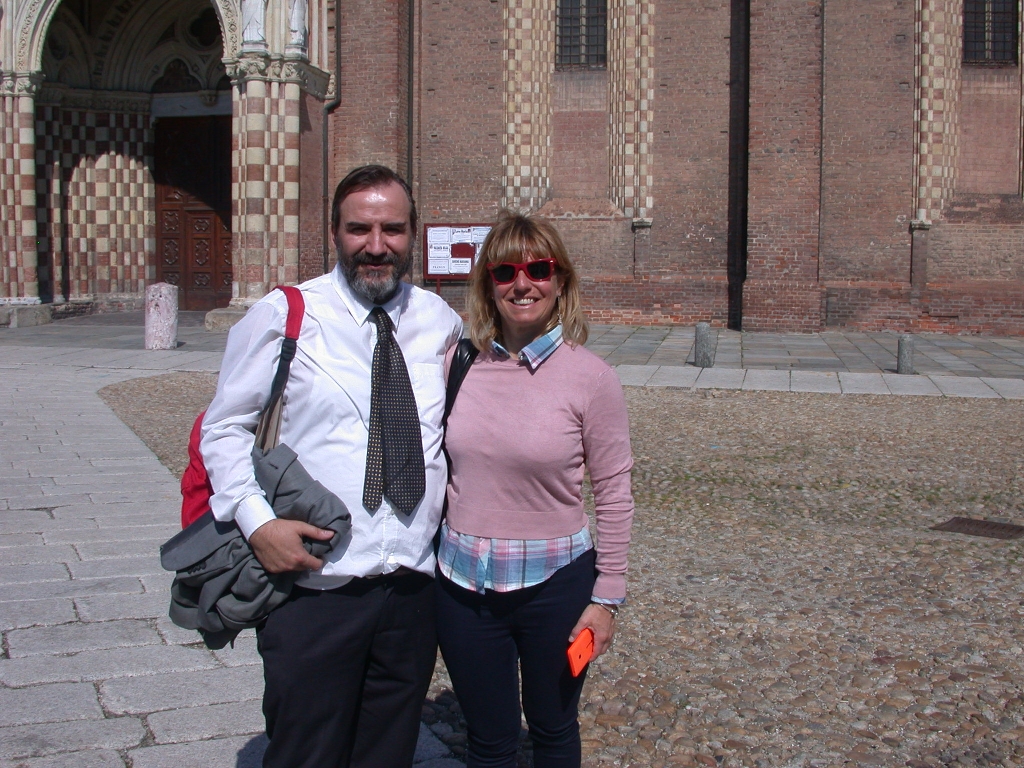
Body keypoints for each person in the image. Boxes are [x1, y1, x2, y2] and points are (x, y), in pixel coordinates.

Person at [200, 165, 463, 768]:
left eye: (392, 229)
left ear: (413, 235)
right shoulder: (286, 314)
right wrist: (257, 522)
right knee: (306, 753)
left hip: (410, 590)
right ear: (335, 233)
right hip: (315, 588)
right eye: (359, 229)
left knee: (388, 753)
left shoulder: (439, 322)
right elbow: (223, 427)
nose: (376, 246)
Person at [436, 211, 635, 768]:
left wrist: (607, 599)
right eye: (505, 272)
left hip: (557, 588)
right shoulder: (457, 362)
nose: (522, 284)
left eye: (539, 268)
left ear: (560, 280)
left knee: (551, 728)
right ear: (488, 285)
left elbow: (615, 492)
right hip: (461, 586)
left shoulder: (591, 377)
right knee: (490, 742)